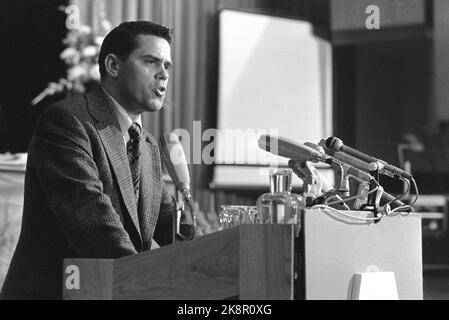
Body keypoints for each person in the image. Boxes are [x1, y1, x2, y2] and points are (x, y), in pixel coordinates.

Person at [0, 20, 194, 300]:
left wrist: (219, 260)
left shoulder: (147, 146)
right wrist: (153, 286)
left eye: (167, 66)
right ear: (113, 66)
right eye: (151, 62)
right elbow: (97, 227)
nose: (163, 74)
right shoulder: (67, 122)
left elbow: (173, 228)